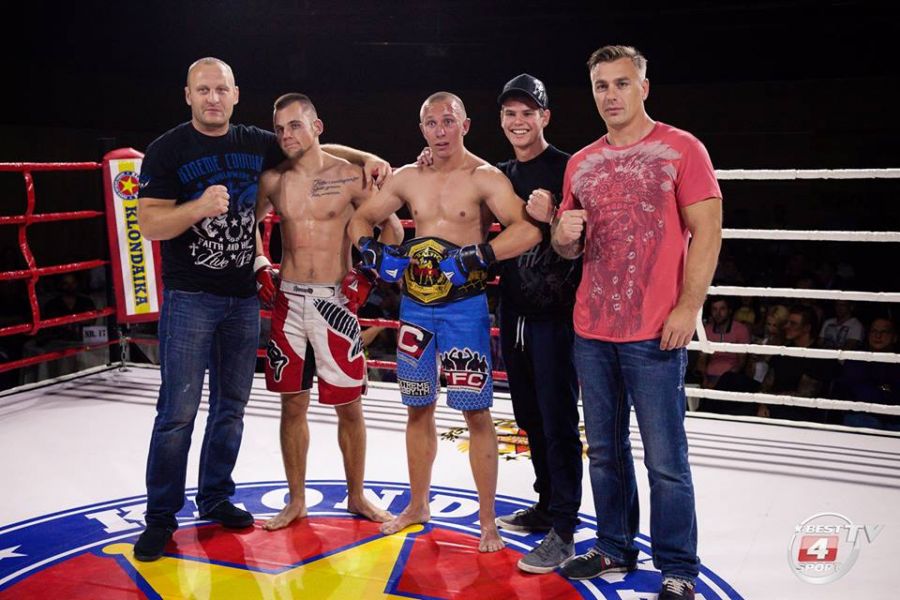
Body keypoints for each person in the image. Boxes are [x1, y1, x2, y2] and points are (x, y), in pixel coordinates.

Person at [134, 57, 391, 562]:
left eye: (221, 90)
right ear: (188, 95)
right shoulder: (168, 149)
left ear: (234, 95)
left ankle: (215, 497)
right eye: (203, 90)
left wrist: (370, 158)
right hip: (193, 297)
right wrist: (205, 214)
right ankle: (161, 517)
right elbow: (148, 224)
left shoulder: (256, 142)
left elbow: (310, 148)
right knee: (178, 412)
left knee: (232, 407)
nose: (213, 98)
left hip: (245, 299)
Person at [551, 46, 722, 600]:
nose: (611, 95)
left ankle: (678, 566)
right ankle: (613, 545)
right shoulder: (580, 162)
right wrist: (561, 234)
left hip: (655, 329)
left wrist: (688, 307)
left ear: (643, 87)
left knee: (666, 460)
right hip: (592, 327)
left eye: (621, 83)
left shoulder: (682, 148)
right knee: (603, 451)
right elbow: (566, 244)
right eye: (601, 85)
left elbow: (708, 231)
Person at [347, 91, 541, 552]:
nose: (440, 131)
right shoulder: (407, 177)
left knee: (476, 411)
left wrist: (481, 254)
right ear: (422, 129)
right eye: (431, 123)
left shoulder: (484, 177)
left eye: (448, 121)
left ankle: (488, 521)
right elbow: (361, 219)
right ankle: (418, 504)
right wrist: (373, 255)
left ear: (465, 125)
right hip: (415, 307)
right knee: (418, 407)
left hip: (463, 308)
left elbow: (529, 230)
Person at [253, 93, 403, 530]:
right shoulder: (273, 180)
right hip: (288, 301)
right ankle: (296, 501)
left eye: (295, 125)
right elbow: (248, 225)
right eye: (280, 129)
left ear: (317, 127)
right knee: (292, 405)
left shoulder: (351, 177)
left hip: (335, 301)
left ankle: (357, 495)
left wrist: (368, 276)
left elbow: (392, 230)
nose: (286, 135)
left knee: (350, 407)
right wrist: (260, 262)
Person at [490, 74, 583, 574]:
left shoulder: (570, 169)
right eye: (510, 113)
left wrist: (554, 216)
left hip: (558, 316)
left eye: (528, 112)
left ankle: (565, 529)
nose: (519, 121)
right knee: (528, 416)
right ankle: (547, 504)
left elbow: (589, 239)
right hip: (514, 311)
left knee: (559, 419)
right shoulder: (499, 175)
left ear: (545, 116)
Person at [833, 317, 900, 431]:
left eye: (884, 332)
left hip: (894, 419)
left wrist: (880, 388)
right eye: (874, 331)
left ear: (894, 337)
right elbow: (862, 393)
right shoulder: (856, 358)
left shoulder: (897, 360)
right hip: (862, 416)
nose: (878, 336)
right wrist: (885, 388)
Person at [694, 297, 751, 389]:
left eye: (722, 309)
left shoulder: (740, 329)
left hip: (731, 378)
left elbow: (741, 363)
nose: (718, 313)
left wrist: (721, 382)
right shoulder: (707, 330)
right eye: (714, 309)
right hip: (709, 376)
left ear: (729, 311)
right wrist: (704, 379)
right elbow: (702, 360)